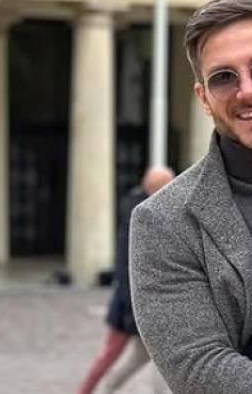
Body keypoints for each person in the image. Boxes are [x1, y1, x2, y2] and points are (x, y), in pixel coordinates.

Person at [129, 0, 252, 393]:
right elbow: (199, 366)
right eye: (224, 78)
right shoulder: (163, 221)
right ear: (203, 98)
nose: (248, 91)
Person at [77, 166, 174, 394]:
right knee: (112, 354)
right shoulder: (141, 213)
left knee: (141, 357)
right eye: (168, 183)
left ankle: (99, 390)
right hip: (130, 304)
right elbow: (129, 264)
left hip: (142, 305)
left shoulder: (146, 207)